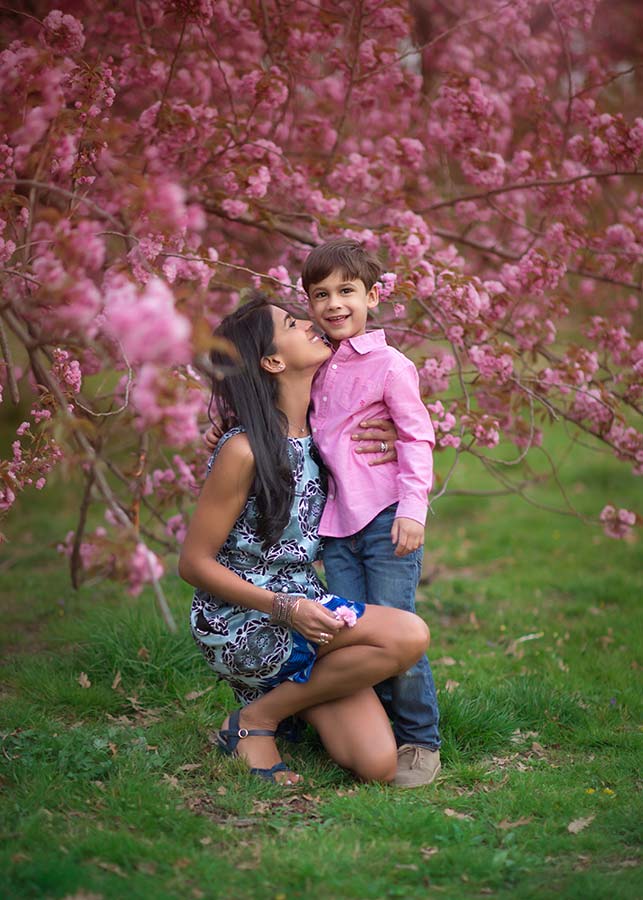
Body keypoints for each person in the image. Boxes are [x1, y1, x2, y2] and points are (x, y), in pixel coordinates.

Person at [179, 294, 430, 785]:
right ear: (273, 361)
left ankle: (273, 708)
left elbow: (396, 419)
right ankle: (259, 721)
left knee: (377, 766)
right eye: (294, 324)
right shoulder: (245, 449)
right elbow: (193, 563)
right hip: (245, 619)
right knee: (409, 634)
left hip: (306, 608)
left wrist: (393, 436)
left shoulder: (321, 434)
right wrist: (284, 607)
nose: (313, 322)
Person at [300, 239, 441, 788]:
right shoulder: (315, 361)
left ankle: (420, 740)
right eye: (320, 295)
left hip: (385, 520)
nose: (334, 304)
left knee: (395, 627)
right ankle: (371, 725)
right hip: (336, 527)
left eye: (346, 291)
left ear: (373, 296)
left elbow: (416, 436)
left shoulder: (390, 365)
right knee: (351, 633)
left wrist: (413, 510)